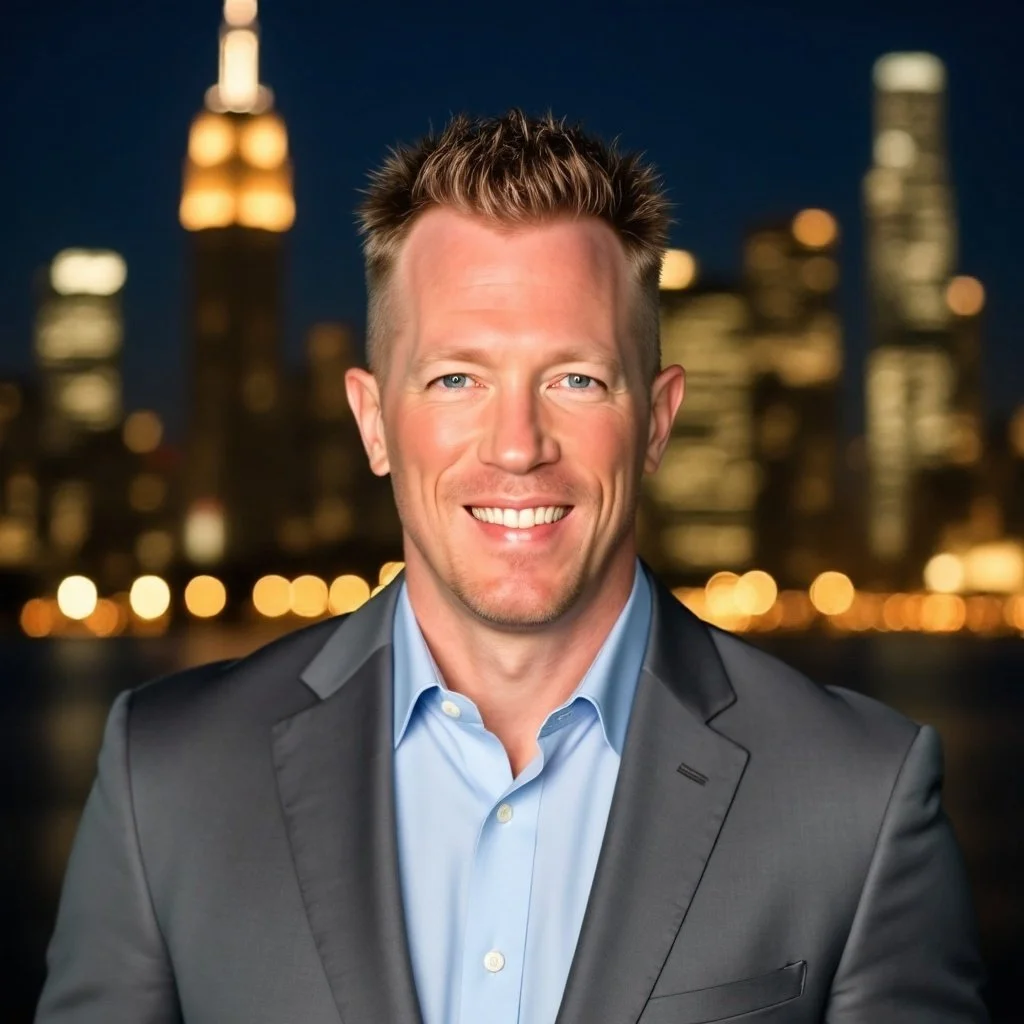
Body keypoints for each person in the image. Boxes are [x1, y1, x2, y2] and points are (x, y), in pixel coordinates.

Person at [36, 110, 988, 1024]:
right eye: (458, 378)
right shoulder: (165, 778)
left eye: (576, 378)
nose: (519, 445)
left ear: (656, 420)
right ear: (373, 421)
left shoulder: (856, 800)